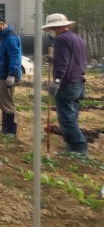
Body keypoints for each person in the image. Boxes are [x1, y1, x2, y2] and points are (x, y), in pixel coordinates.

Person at [42, 13, 88, 155]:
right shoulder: (77, 39)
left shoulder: (61, 40)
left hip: (67, 84)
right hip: (79, 82)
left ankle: (79, 150)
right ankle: (71, 148)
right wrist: (54, 59)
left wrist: (56, 82)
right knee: (72, 118)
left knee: (67, 120)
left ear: (55, 27)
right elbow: (72, 59)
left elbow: (63, 63)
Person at [0, 14, 22, 138]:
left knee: (7, 103)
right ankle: (5, 129)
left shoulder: (10, 37)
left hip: (7, 75)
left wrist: (11, 74)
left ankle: (11, 131)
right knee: (3, 103)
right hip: (2, 74)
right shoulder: (4, 36)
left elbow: (14, 56)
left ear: (2, 23)